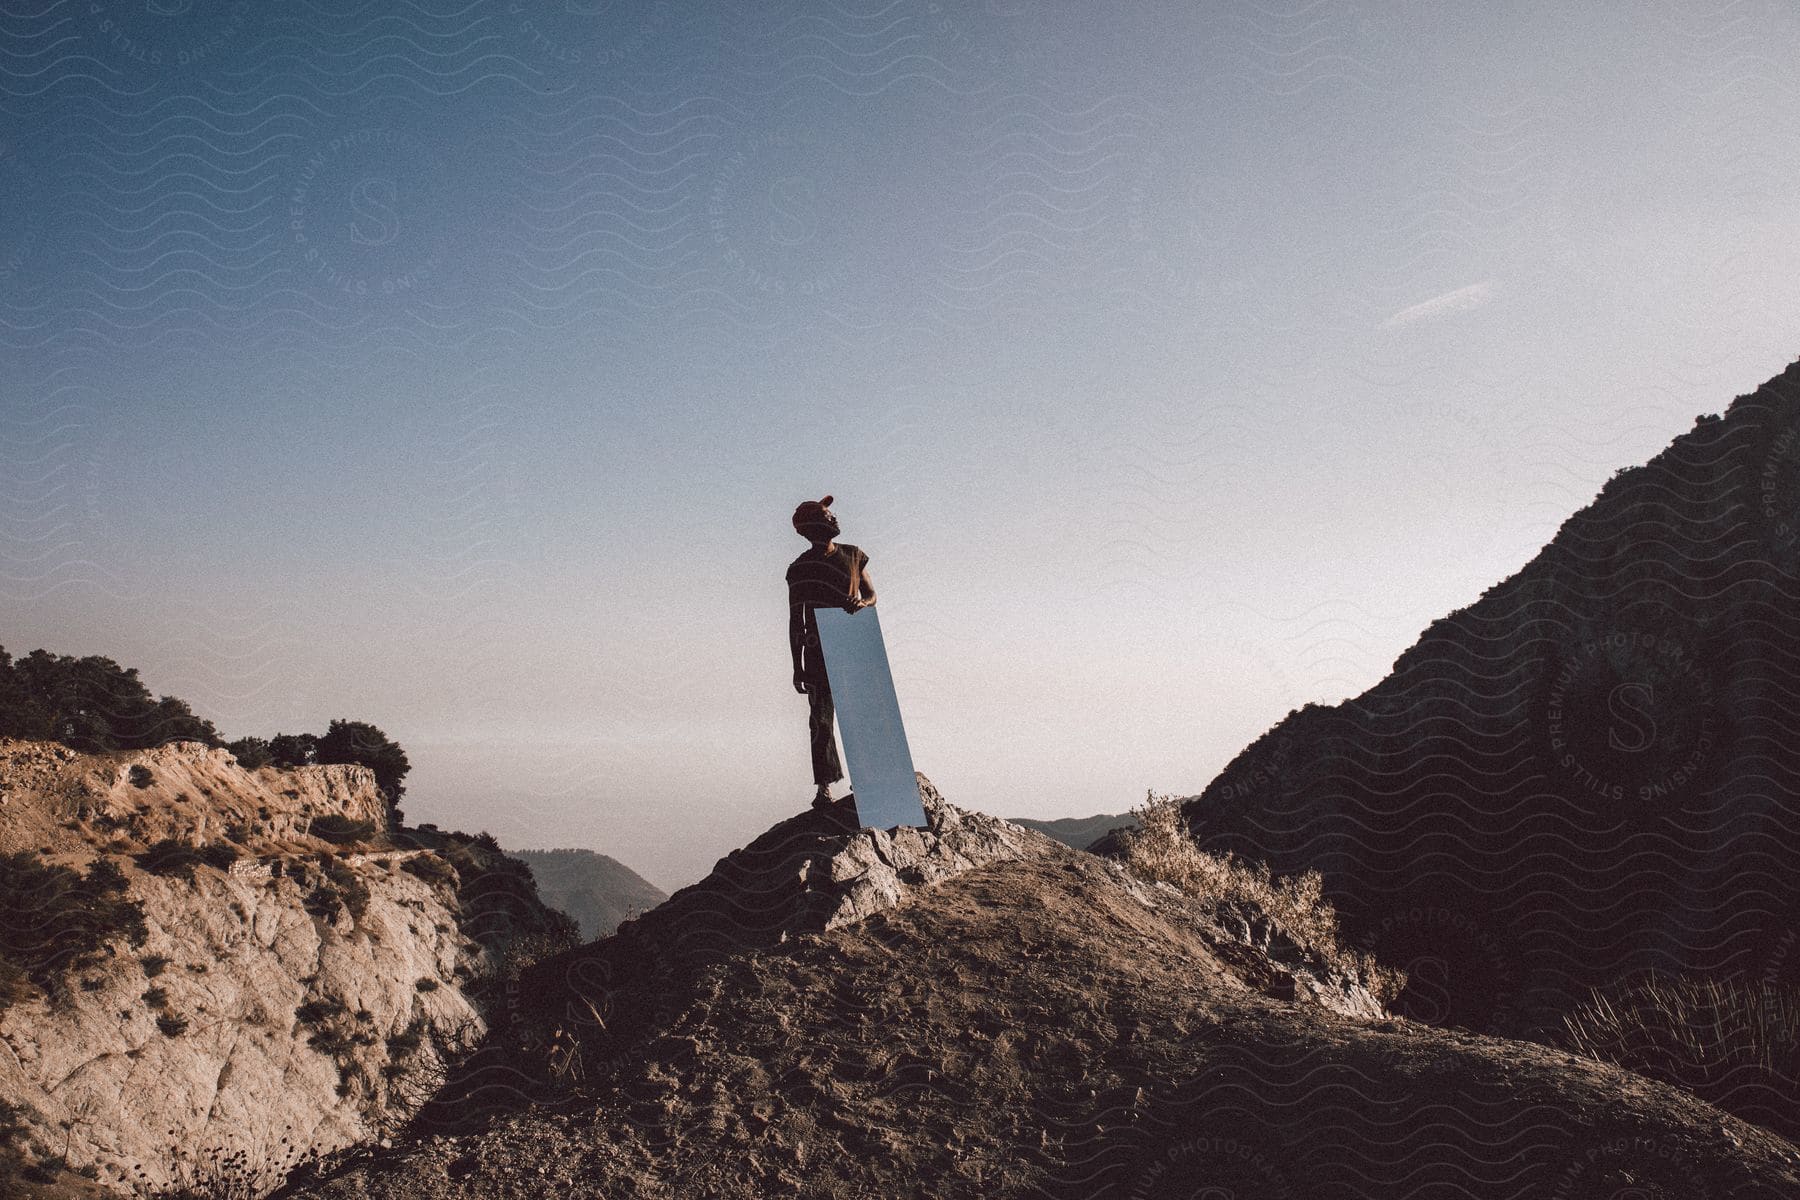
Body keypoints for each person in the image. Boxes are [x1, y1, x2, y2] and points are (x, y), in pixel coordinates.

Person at [787, 495, 877, 809]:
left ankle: (870, 780)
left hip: (853, 641)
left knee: (862, 714)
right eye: (827, 515)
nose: (834, 518)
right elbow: (795, 619)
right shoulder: (799, 568)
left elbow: (872, 594)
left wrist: (862, 603)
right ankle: (824, 788)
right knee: (821, 720)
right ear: (812, 526)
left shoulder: (853, 555)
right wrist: (797, 666)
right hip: (817, 649)